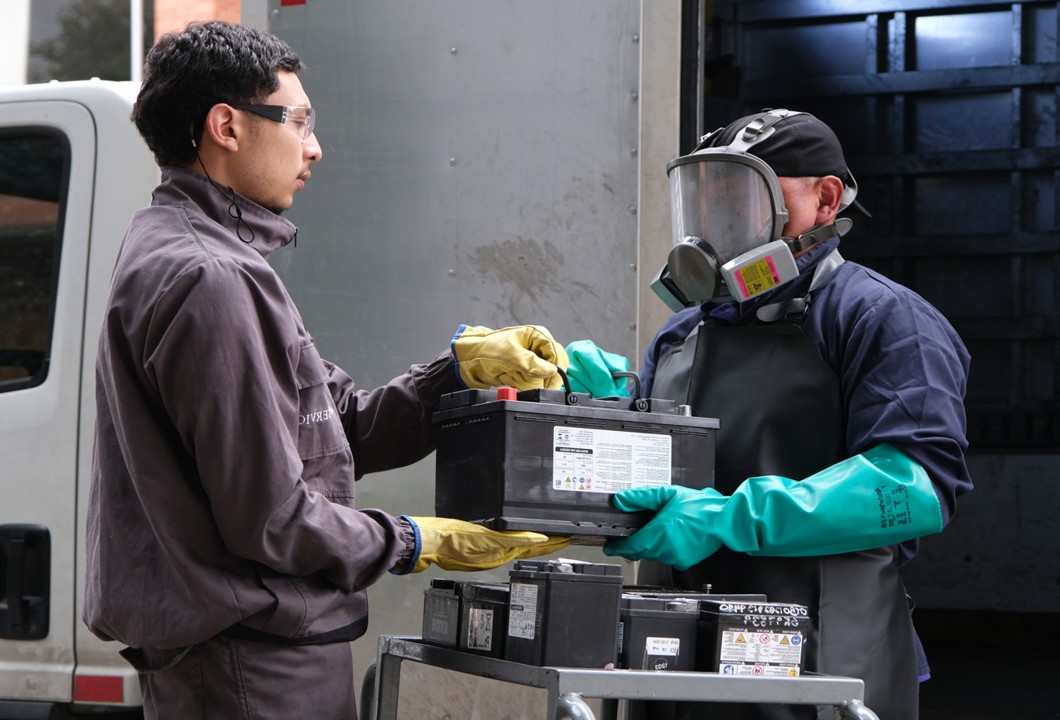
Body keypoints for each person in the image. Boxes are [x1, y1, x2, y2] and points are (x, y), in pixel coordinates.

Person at [83, 21, 569, 720]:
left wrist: (453, 375)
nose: (314, 147)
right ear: (226, 126)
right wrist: (416, 540)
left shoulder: (195, 252)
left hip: (242, 657)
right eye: (298, 121)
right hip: (252, 668)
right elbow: (273, 519)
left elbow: (336, 430)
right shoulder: (211, 277)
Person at [567, 109, 971, 719]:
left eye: (741, 199)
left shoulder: (880, 318)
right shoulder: (681, 335)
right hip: (670, 666)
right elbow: (645, 482)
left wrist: (732, 517)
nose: (718, 224)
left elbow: (914, 490)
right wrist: (592, 416)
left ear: (826, 200)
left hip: (823, 663)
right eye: (706, 203)